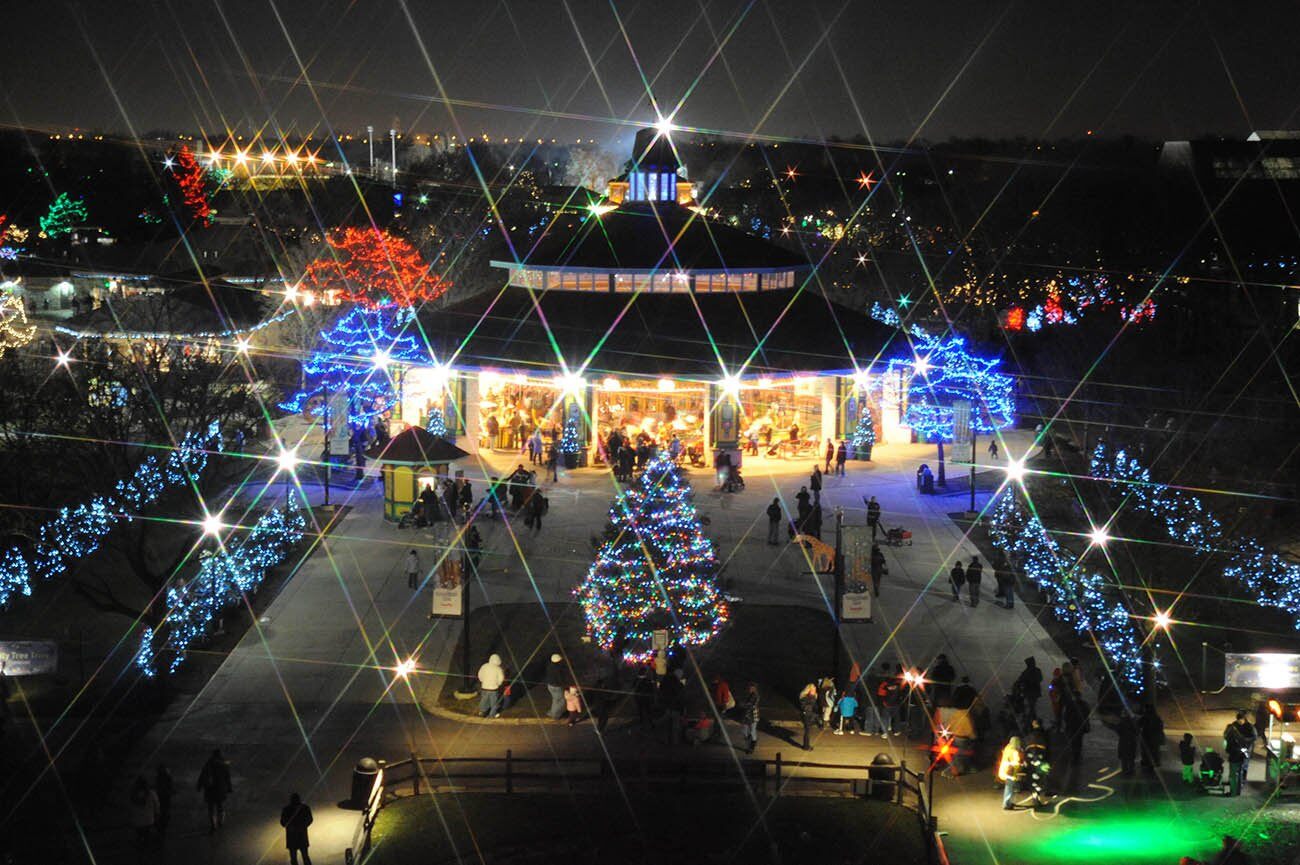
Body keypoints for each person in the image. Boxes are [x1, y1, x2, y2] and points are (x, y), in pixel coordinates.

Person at [196, 748, 232, 832]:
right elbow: (227, 778)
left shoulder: (208, 764)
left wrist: (199, 786)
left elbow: (203, 775)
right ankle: (220, 822)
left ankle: (213, 825)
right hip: (220, 789)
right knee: (220, 806)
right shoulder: (223, 765)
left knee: (211, 808)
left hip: (210, 789)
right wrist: (229, 788)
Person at [1224, 711, 1256, 796]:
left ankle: (1240, 784)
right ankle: (1237, 786)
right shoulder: (1234, 726)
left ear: (1244, 719)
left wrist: (1244, 741)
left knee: (1243, 768)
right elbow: (1227, 736)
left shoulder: (1249, 727)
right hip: (1235, 751)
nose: (1239, 722)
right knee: (1236, 770)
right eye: (1238, 720)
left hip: (1244, 751)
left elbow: (1253, 738)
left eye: (1241, 720)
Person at [280, 793, 314, 865]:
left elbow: (283, 822)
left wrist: (290, 827)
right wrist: (303, 826)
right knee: (305, 857)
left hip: (291, 837)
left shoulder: (286, 809)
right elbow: (310, 819)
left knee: (293, 858)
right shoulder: (305, 808)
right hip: (302, 836)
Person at [128, 775, 159, 854]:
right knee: (147, 836)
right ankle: (146, 851)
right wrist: (156, 814)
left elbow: (130, 808)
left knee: (139, 835)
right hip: (148, 820)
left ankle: (140, 850)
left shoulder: (133, 795)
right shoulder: (151, 794)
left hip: (137, 821)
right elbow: (157, 805)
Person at [660, 668, 686, 745]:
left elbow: (663, 692)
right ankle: (675, 741)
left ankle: (666, 740)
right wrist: (682, 708)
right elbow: (681, 698)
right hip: (675, 708)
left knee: (667, 725)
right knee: (675, 726)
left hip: (669, 706)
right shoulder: (679, 685)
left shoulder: (667, 683)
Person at [477, 653, 505, 718]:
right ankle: (492, 714)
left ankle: (482, 711)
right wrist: (498, 684)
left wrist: (482, 681)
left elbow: (480, 675)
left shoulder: (484, 666)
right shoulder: (498, 669)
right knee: (494, 702)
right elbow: (501, 678)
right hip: (494, 688)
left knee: (484, 700)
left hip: (484, 687)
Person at [1139, 704, 1165, 772]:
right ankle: (1152, 765)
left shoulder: (1145, 717)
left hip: (1147, 738)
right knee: (1154, 752)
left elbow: (1139, 724)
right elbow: (1160, 727)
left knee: (1146, 752)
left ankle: (1148, 764)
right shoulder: (1157, 718)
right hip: (1154, 739)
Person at [998, 736, 1023, 810]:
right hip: (1010, 772)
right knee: (1009, 788)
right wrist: (1020, 764)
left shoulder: (1007, 748)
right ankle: (1006, 804)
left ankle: (1008, 802)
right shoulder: (1014, 752)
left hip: (1004, 770)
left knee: (1008, 787)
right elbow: (1016, 763)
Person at [1116, 710, 1139, 776]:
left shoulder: (1121, 722)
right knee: (1131, 756)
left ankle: (1125, 770)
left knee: (1124, 757)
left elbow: (1118, 731)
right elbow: (1137, 731)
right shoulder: (1133, 722)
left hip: (1124, 741)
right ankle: (1131, 770)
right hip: (1131, 741)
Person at [545, 653, 567, 720]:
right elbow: (560, 679)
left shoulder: (549, 666)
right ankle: (555, 715)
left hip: (550, 685)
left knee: (555, 700)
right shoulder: (558, 669)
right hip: (557, 686)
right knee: (561, 701)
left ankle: (552, 712)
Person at [740, 683, 760, 754]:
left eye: (752, 688)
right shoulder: (748, 695)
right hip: (747, 715)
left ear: (755, 688)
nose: (750, 689)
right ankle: (749, 745)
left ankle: (751, 747)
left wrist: (743, 705)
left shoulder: (756, 696)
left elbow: (752, 705)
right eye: (749, 688)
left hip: (753, 716)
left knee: (752, 731)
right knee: (745, 731)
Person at [154, 764, 173, 835]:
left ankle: (161, 823)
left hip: (161, 795)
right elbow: (170, 786)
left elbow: (157, 786)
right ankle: (163, 822)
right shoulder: (168, 777)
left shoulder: (158, 777)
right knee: (165, 809)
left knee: (162, 809)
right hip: (165, 796)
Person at [799, 684, 819, 750]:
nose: (815, 691)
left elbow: (815, 707)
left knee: (808, 731)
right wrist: (813, 698)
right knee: (807, 731)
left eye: (815, 689)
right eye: (813, 689)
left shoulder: (812, 696)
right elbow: (804, 706)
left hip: (810, 715)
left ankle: (806, 745)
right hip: (806, 715)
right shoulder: (805, 697)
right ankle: (806, 746)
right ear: (809, 690)